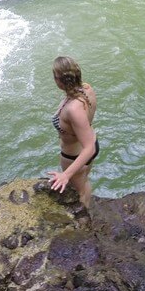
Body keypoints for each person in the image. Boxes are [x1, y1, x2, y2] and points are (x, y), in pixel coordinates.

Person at [48, 56, 99, 207]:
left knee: (79, 192)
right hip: (88, 143)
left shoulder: (73, 109)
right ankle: (88, 206)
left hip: (75, 155)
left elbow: (89, 147)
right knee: (84, 182)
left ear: (59, 80)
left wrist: (66, 175)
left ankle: (85, 222)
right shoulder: (86, 89)